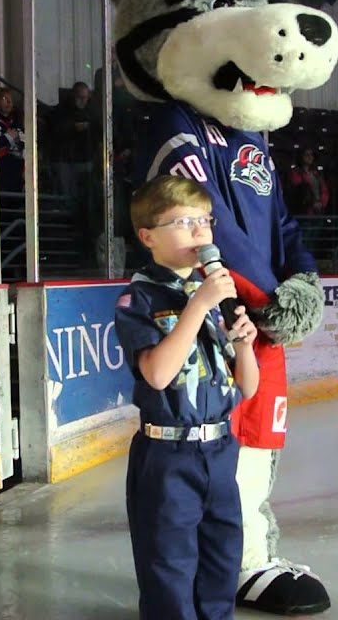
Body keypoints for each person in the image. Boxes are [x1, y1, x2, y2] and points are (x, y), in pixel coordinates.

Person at [114, 175, 260, 620]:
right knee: (169, 564)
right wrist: (197, 307)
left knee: (222, 558)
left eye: (205, 220)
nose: (199, 231)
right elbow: (158, 374)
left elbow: (248, 387)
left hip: (219, 449)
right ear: (148, 237)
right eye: (183, 222)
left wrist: (245, 345)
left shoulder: (210, 293)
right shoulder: (138, 298)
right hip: (168, 455)